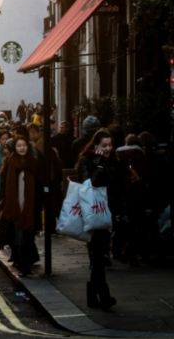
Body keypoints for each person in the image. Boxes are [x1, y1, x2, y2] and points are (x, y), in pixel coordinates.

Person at [77, 128, 123, 310]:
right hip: (92, 212)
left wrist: (120, 210)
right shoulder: (87, 160)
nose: (107, 149)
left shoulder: (114, 161)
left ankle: (93, 296)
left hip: (108, 212)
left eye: (110, 145)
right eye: (104, 145)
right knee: (98, 255)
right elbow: (88, 184)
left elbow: (118, 188)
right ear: (95, 145)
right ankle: (103, 296)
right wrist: (99, 165)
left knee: (99, 255)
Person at [0, 135, 42, 276]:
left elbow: (40, 185)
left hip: (31, 206)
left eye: (24, 145)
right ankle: (22, 264)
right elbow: (4, 185)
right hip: (15, 205)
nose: (22, 148)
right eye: (19, 146)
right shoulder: (11, 163)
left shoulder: (34, 163)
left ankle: (25, 261)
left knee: (29, 236)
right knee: (19, 236)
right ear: (15, 148)